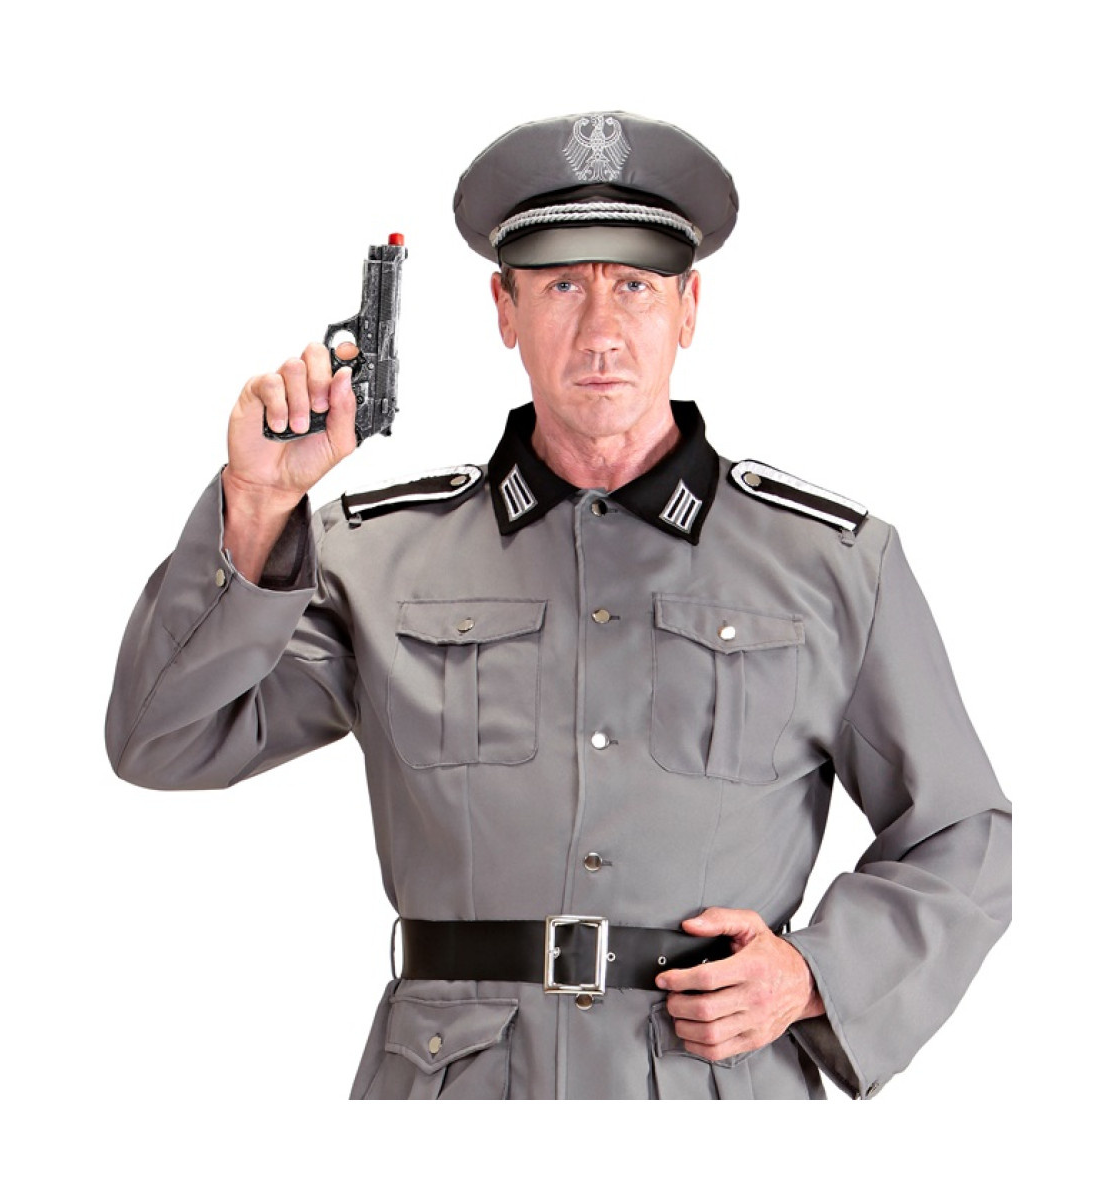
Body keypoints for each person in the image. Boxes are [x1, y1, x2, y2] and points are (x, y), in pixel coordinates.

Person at [106, 112, 1011, 1100]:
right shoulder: (373, 558)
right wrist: (255, 506)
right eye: (562, 287)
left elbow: (962, 833)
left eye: (636, 285)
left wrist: (812, 975)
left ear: (689, 307)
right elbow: (162, 742)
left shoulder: (832, 565)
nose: (601, 331)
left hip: (709, 1093)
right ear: (505, 308)